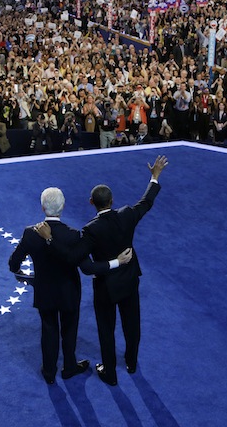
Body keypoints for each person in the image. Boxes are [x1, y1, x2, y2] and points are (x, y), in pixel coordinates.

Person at [38, 155, 168, 386]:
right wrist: (155, 176)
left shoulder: (90, 230)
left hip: (105, 287)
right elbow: (146, 201)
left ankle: (109, 372)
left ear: (91, 202)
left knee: (106, 330)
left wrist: (50, 240)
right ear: (112, 200)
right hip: (129, 281)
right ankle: (131, 362)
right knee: (132, 324)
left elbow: (75, 260)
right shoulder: (127, 214)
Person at [9, 187, 133, 385]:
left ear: (42, 208)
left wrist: (29, 277)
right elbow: (88, 268)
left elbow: (13, 265)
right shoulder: (73, 236)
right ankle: (69, 367)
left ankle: (49, 372)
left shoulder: (30, 234)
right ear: (63, 207)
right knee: (69, 329)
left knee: (48, 329)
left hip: (44, 292)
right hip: (69, 293)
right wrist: (117, 262)